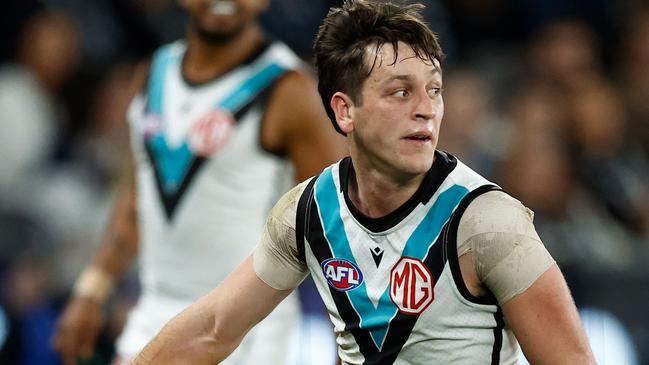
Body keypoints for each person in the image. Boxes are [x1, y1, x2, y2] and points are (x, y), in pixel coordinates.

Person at [131, 1, 596, 364]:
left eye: (433, 89)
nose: (426, 109)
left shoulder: (488, 224)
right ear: (344, 110)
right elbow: (212, 329)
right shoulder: (309, 212)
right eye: (400, 91)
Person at [52, 0, 346, 364]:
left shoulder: (289, 89)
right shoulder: (153, 73)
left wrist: (354, 335)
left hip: (246, 334)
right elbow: (138, 198)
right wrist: (93, 289)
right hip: (155, 316)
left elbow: (337, 224)